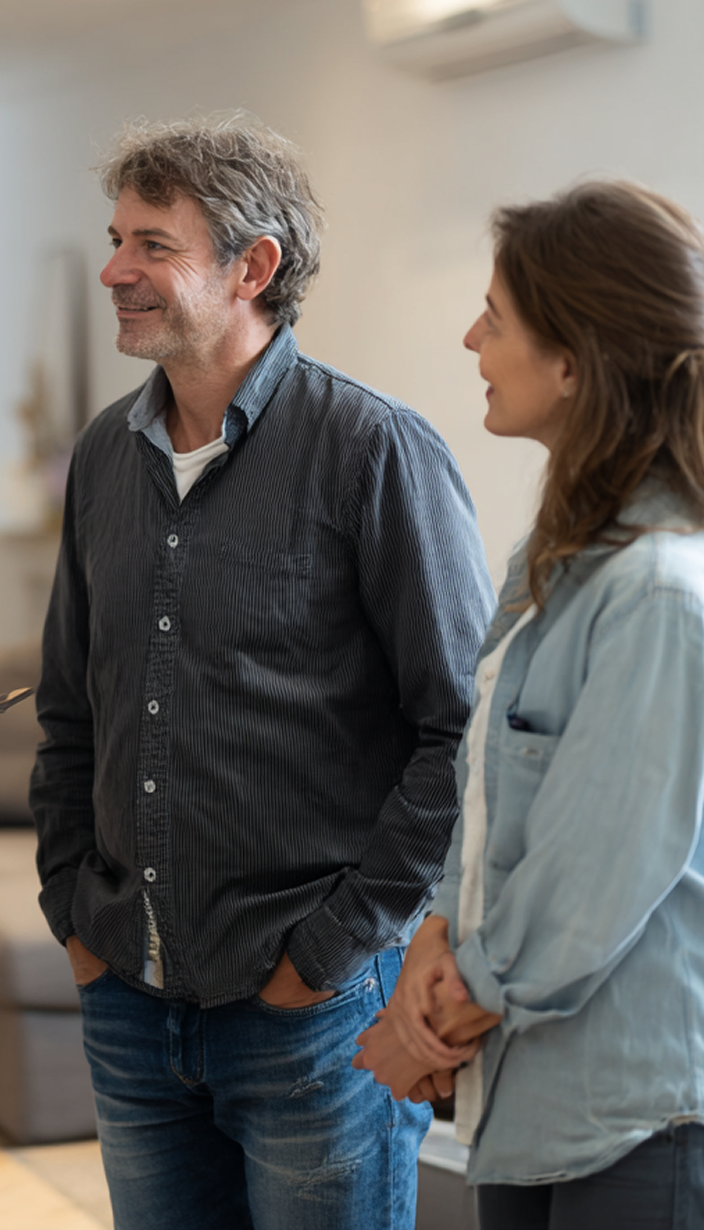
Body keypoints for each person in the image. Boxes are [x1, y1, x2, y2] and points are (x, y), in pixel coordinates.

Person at [30, 114, 495, 1230]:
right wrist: (74, 915)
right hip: (129, 997)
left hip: (310, 1008)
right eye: (115, 239)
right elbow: (68, 708)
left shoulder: (374, 450)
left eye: (152, 245)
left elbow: (459, 732)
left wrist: (326, 955)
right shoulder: (103, 454)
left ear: (254, 267)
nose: (115, 270)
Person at [353, 179, 704, 1229]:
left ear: (573, 361)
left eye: (495, 319)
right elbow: (494, 801)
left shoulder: (656, 596)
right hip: (525, 1099)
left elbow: (594, 874)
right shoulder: (551, 566)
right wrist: (431, 937)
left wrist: (429, 1023)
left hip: (636, 1117)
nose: (469, 338)